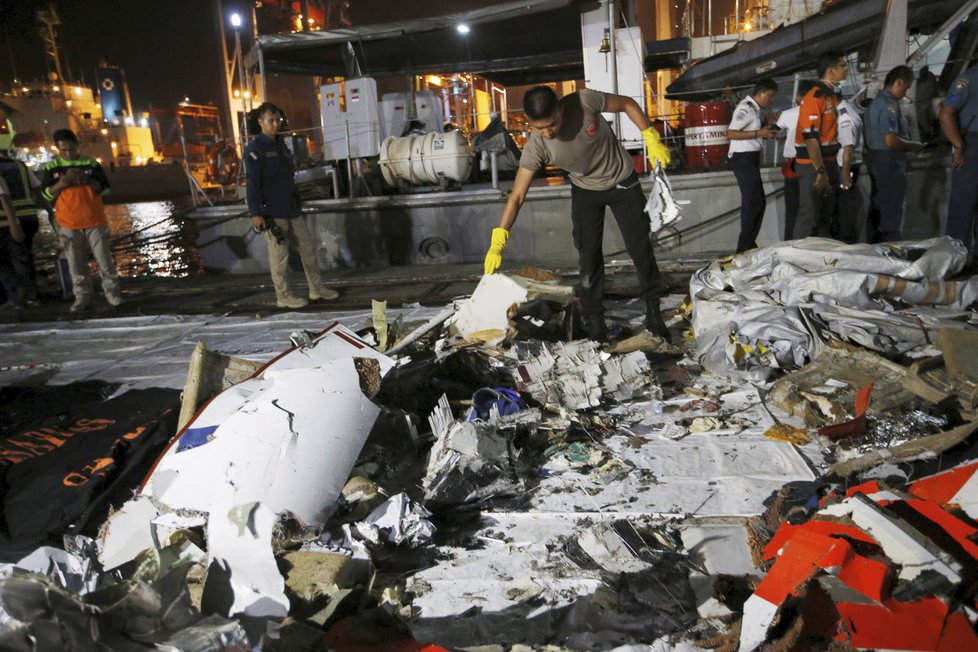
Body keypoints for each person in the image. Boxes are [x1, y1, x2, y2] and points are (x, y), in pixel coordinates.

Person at [482, 85, 672, 342]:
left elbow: (627, 103)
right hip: (585, 191)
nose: (548, 132)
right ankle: (596, 323)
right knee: (588, 256)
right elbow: (516, 196)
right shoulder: (536, 146)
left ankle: (653, 311)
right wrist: (499, 239)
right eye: (540, 128)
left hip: (622, 181)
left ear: (561, 109)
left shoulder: (585, 101)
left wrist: (650, 134)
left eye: (552, 124)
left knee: (640, 248)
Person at [245, 102, 338, 308]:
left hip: (291, 207)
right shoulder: (255, 150)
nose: (276, 124)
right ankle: (283, 296)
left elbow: (288, 177)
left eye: (278, 120)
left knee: (307, 248)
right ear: (260, 122)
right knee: (279, 255)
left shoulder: (281, 145)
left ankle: (316, 288)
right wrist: (256, 213)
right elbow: (252, 184)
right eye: (271, 120)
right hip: (272, 210)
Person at [41, 129, 121, 313]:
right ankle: (82, 297)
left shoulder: (90, 163)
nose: (68, 153)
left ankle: (113, 294)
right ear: (58, 149)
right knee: (75, 264)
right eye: (64, 150)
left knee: (105, 260)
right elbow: (45, 193)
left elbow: (106, 189)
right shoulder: (51, 167)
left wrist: (88, 180)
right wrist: (62, 183)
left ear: (77, 146)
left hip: (94, 220)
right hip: (68, 223)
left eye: (71, 149)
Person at [794, 51, 847, 239]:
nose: (846, 69)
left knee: (825, 217)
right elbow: (810, 138)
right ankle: (797, 259)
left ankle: (823, 259)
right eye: (843, 65)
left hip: (828, 162)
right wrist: (820, 171)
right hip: (813, 166)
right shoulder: (815, 97)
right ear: (831, 70)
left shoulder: (830, 96)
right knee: (809, 217)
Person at [864, 66, 921, 243]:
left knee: (878, 210)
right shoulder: (890, 106)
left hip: (875, 159)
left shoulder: (874, 103)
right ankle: (893, 251)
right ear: (899, 82)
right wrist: (913, 146)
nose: (905, 92)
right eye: (906, 87)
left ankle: (876, 250)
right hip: (889, 161)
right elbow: (890, 140)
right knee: (891, 211)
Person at [727, 78, 778, 253]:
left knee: (756, 201)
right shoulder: (745, 109)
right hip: (743, 159)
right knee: (754, 201)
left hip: (750, 157)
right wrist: (759, 132)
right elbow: (731, 134)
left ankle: (748, 242)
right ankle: (744, 245)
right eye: (770, 96)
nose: (771, 100)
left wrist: (764, 131)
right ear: (760, 93)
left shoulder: (754, 110)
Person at [940, 63, 978, 269]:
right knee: (963, 205)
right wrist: (958, 144)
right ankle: (956, 262)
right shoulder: (968, 79)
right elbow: (946, 113)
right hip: (972, 145)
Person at [0, 155, 43, 307]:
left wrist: (14, 224)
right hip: (28, 218)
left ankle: (19, 297)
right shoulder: (19, 165)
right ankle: (28, 296)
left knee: (13, 261)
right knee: (23, 259)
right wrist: (50, 212)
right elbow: (37, 188)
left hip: (8, 223)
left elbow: (4, 197)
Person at [776, 80, 816, 241]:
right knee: (810, 207)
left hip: (792, 164)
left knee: (792, 207)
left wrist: (785, 137)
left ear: (799, 96)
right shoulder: (817, 113)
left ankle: (790, 242)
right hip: (812, 163)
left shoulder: (788, 114)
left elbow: (775, 133)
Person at [835, 98, 864, 243]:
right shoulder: (848, 109)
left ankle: (846, 242)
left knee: (844, 207)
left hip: (844, 166)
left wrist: (845, 176)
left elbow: (848, 148)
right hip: (847, 165)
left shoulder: (844, 117)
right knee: (845, 205)